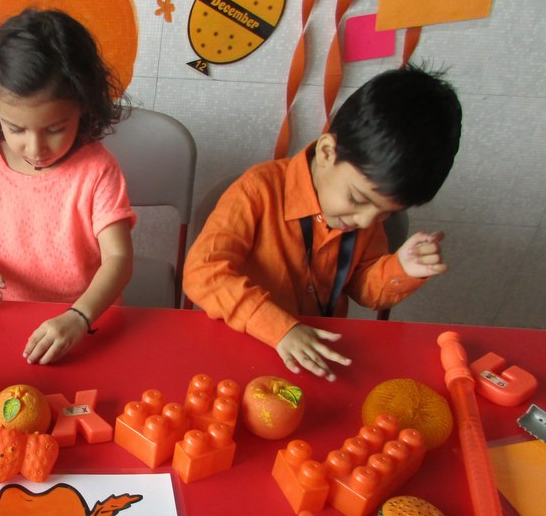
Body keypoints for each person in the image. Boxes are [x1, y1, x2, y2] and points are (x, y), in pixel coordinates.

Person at [182, 65, 462, 380]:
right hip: (238, 346)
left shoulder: (365, 216)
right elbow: (201, 274)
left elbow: (365, 289)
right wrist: (279, 328)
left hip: (311, 356)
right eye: (358, 199)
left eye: (385, 214)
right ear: (328, 151)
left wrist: (402, 269)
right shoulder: (257, 190)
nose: (366, 220)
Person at [0, 9, 135, 365]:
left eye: (55, 129)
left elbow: (119, 258)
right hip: (10, 323)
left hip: (87, 324)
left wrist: (78, 317)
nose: (35, 148)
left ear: (83, 108)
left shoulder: (97, 170)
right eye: (16, 129)